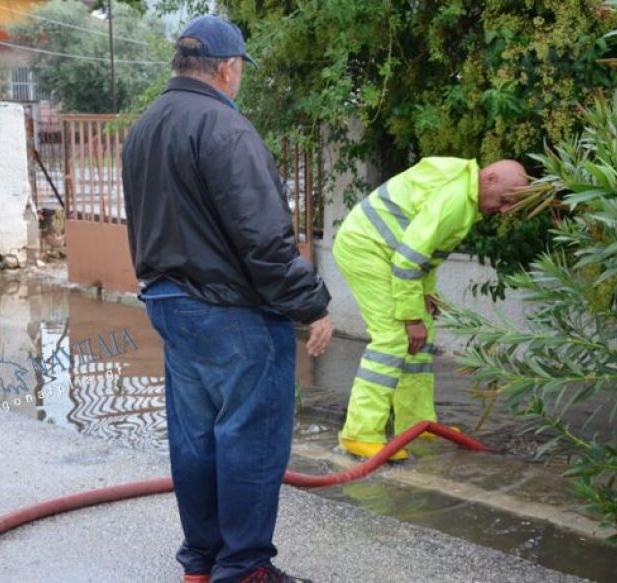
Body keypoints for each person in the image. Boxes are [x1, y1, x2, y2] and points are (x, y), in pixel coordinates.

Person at [121, 15, 332, 583]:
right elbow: (265, 243)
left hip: (169, 302)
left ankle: (204, 561)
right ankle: (242, 568)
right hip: (229, 310)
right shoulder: (226, 130)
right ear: (228, 67)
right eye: (239, 68)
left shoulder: (144, 128)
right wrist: (310, 303)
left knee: (197, 438)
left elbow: (141, 223)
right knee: (250, 438)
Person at [333, 157, 528, 460]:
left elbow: (425, 250)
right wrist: (411, 317)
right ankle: (359, 434)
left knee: (419, 342)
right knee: (393, 339)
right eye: (504, 201)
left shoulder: (464, 191)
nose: (503, 210)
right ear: (488, 179)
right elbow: (409, 259)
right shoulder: (456, 199)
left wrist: (426, 292)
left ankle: (415, 424)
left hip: (387, 254)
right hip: (366, 248)